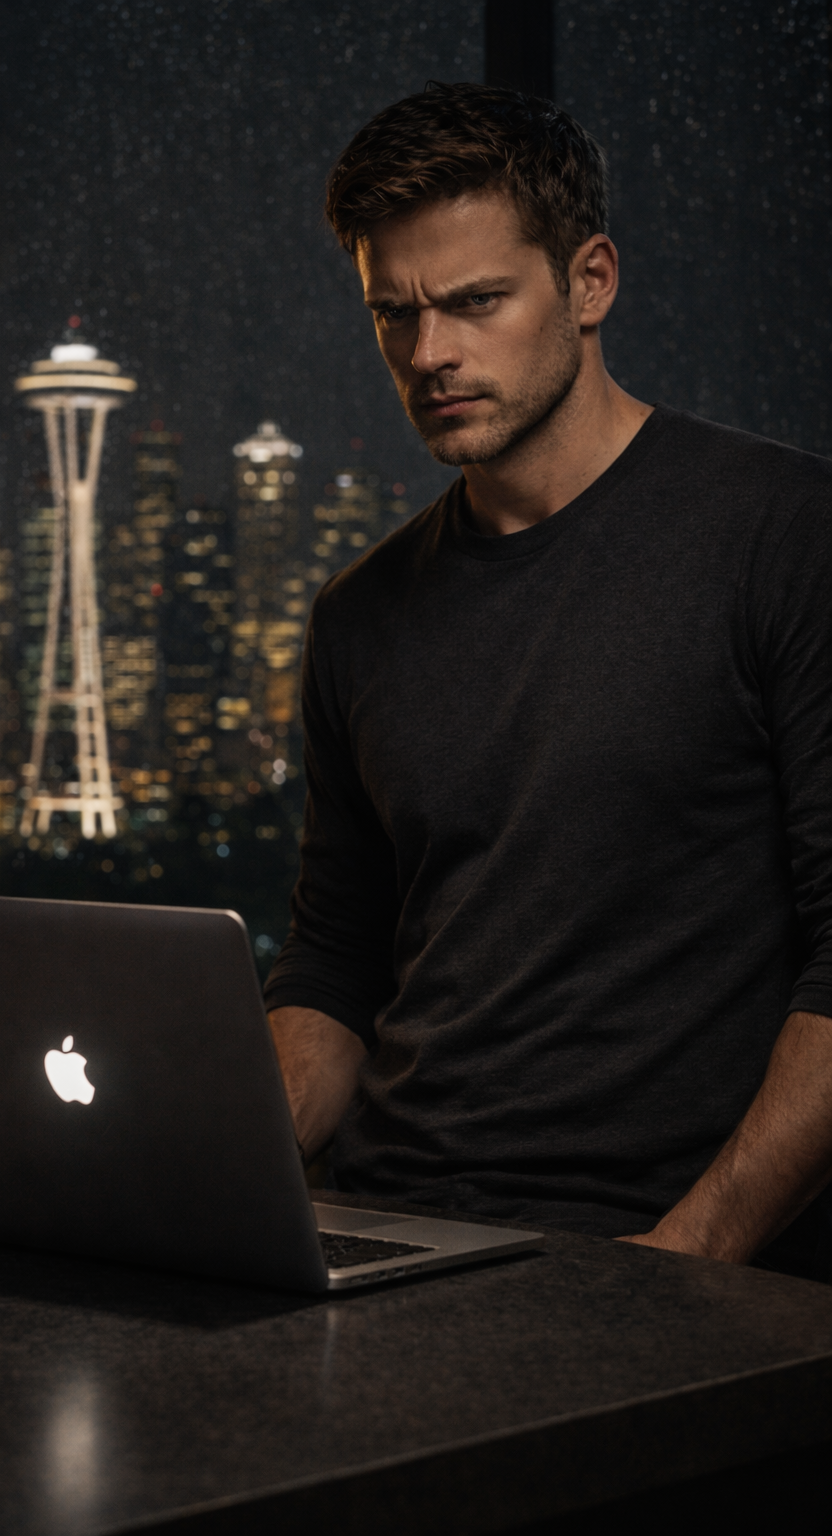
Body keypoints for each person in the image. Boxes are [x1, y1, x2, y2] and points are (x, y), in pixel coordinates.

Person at [262, 83, 832, 1282]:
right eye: (393, 314)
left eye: (474, 303)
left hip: (658, 1245)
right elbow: (333, 969)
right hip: (388, 1231)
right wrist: (202, 1179)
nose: (429, 355)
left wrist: (683, 1259)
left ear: (589, 282)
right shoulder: (357, 615)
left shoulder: (785, 536)